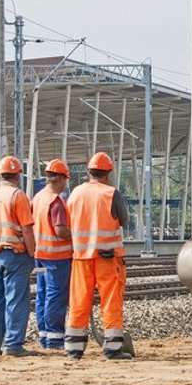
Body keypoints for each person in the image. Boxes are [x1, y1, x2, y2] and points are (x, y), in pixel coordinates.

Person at [65, 152, 131, 360]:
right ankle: (112, 347)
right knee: (111, 300)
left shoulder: (75, 193)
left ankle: (74, 347)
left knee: (79, 300)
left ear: (89, 172)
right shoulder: (111, 193)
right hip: (107, 257)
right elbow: (124, 220)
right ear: (108, 173)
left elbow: (69, 221)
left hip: (81, 256)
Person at [0, 156, 37, 357]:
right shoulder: (17, 196)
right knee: (16, 300)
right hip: (15, 254)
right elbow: (27, 229)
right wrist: (32, 253)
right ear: (18, 175)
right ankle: (13, 345)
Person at [31, 159, 73, 351]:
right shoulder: (55, 201)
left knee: (43, 295)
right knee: (55, 296)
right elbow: (60, 230)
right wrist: (80, 236)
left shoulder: (38, 197)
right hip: (57, 256)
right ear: (61, 179)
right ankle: (55, 338)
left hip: (40, 254)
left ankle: (44, 336)